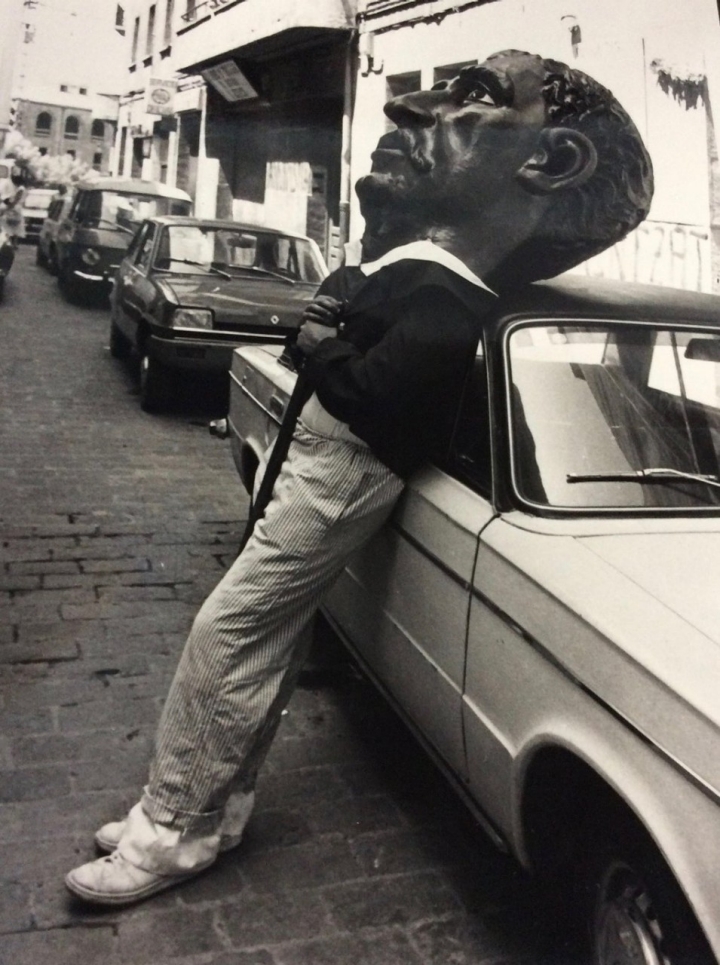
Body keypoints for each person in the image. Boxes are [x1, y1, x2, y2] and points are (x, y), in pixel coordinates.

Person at [65, 49, 653, 905]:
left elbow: (372, 394)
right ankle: (212, 814)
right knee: (264, 643)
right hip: (315, 466)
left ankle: (164, 832)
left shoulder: (453, 306)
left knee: (227, 634)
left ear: (554, 162)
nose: (406, 111)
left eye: (473, 95)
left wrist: (322, 343)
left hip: (340, 476)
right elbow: (345, 333)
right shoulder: (419, 280)